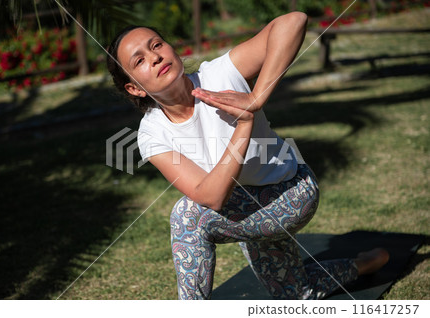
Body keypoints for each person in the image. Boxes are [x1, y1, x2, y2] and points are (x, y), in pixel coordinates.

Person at [107, 12, 389, 300]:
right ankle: (360, 265)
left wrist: (256, 98)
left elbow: (294, 22)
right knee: (294, 294)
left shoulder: (219, 74)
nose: (154, 57)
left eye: (156, 45)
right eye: (139, 61)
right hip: (243, 208)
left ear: (172, 49)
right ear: (134, 88)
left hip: (292, 192)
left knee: (186, 217)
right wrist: (244, 124)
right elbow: (211, 196)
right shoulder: (152, 133)